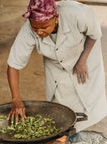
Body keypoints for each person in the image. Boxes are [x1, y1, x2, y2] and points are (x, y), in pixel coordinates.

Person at [7, 0, 107, 142]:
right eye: (35, 28)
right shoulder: (30, 29)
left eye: (44, 27)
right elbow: (13, 64)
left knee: (90, 102)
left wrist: (83, 60)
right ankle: (65, 137)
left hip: (85, 58)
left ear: (56, 18)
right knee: (62, 107)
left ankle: (89, 133)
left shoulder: (78, 14)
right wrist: (16, 99)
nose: (39, 32)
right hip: (56, 67)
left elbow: (95, 33)